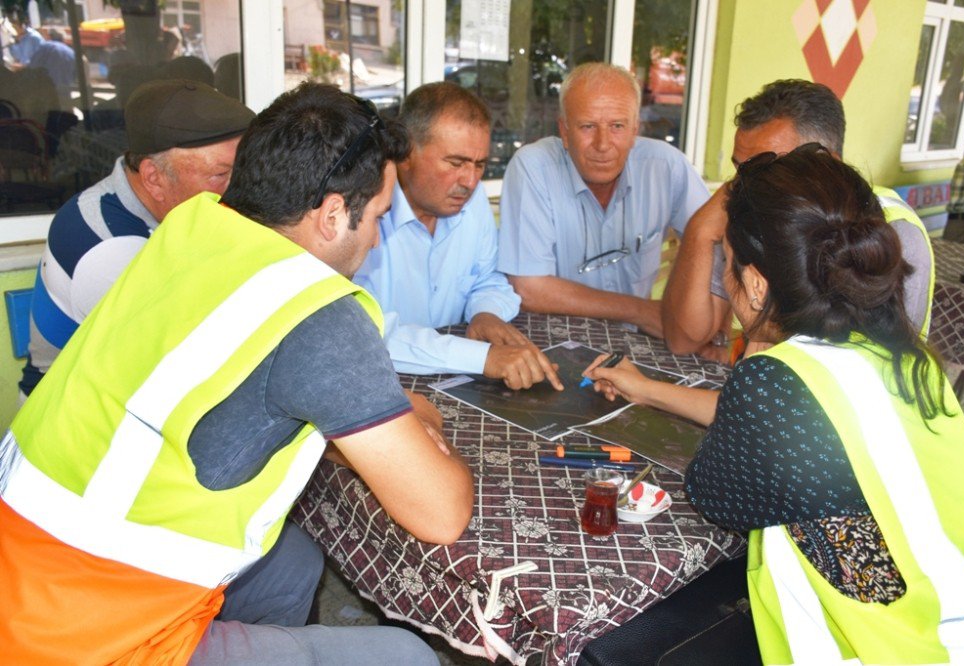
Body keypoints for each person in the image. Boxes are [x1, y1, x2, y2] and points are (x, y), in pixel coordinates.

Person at [0, 82, 472, 664]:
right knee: (409, 656)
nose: (376, 240)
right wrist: (429, 431)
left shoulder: (190, 229)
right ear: (331, 215)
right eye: (376, 216)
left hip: (21, 571)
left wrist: (381, 408)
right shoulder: (318, 312)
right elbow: (442, 514)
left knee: (293, 562)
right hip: (102, 636)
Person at [584, 146, 964, 663]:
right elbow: (795, 434)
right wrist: (647, 388)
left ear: (757, 283)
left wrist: (757, 337)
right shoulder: (900, 356)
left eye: (729, 265)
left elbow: (713, 494)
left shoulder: (775, 382)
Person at [661, 79, 934, 357]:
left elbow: (857, 370)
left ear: (826, 162)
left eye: (766, 168)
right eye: (739, 170)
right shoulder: (750, 213)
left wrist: (749, 345)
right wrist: (700, 230)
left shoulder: (893, 233)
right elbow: (685, 340)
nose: (746, 187)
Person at [19, 79, 255, 398]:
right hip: (68, 424)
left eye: (241, 170)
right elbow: (185, 370)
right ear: (154, 177)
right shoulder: (107, 245)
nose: (237, 188)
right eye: (220, 175)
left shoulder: (180, 210)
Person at [354, 82, 562, 390]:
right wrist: (482, 357)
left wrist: (486, 313)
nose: (470, 181)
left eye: (479, 165)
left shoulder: (469, 199)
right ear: (406, 154)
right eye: (455, 163)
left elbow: (488, 278)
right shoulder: (361, 212)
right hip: (377, 388)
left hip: (454, 383)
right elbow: (367, 332)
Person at [498, 62, 709, 338]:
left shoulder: (665, 166)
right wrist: (641, 311)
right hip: (552, 342)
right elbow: (529, 289)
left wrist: (712, 330)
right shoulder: (533, 167)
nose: (603, 144)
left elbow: (718, 246)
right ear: (564, 131)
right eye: (587, 126)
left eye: (617, 126)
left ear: (635, 129)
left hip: (636, 343)